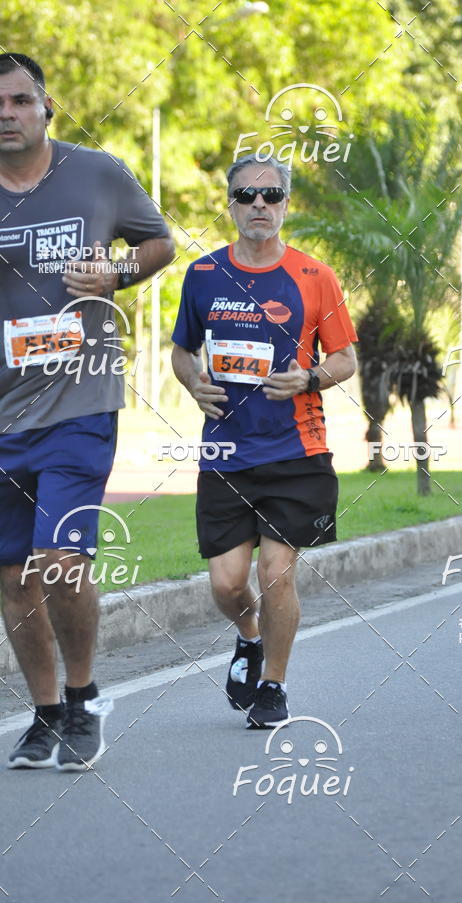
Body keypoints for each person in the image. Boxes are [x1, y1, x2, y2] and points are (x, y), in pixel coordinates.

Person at [0, 53, 175, 770]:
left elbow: (159, 242)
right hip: (3, 411)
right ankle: (44, 714)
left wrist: (118, 271)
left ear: (46, 107)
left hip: (81, 399)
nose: (7, 114)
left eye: (19, 100)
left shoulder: (97, 172)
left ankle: (83, 696)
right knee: (12, 577)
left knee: (60, 560)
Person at [171, 153, 357, 728]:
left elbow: (345, 359)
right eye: (247, 195)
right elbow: (182, 351)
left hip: (297, 451)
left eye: (271, 195)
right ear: (230, 204)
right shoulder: (203, 274)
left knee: (276, 572)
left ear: (285, 204)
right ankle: (249, 637)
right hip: (226, 452)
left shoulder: (315, 276)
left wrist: (309, 378)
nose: (259, 205)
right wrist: (193, 384)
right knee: (228, 585)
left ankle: (273, 686)